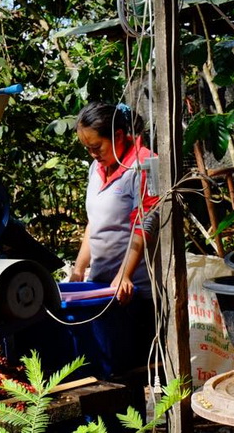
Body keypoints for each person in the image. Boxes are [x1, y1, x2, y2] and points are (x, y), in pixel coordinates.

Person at [69, 101, 160, 426]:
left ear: (119, 135)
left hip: (134, 292)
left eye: (96, 146)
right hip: (101, 289)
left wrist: (124, 276)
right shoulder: (97, 168)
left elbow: (145, 224)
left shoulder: (144, 164)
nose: (92, 153)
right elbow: (94, 223)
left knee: (126, 377)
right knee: (101, 369)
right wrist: (80, 270)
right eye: (87, 148)